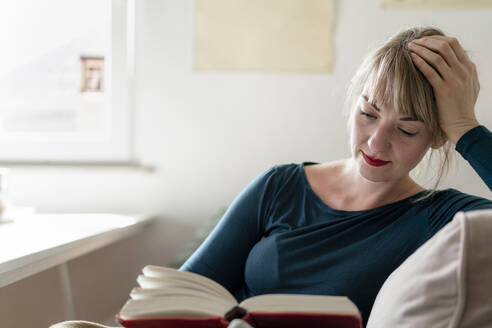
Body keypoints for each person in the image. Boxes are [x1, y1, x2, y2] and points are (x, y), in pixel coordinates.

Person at [180, 26, 492, 326]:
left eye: (406, 129)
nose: (375, 143)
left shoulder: (441, 218)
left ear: (438, 135)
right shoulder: (280, 186)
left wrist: (467, 129)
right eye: (368, 113)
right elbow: (183, 292)